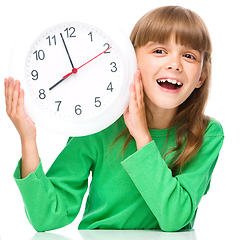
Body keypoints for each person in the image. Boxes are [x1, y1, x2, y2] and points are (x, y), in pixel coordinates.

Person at [4, 6, 224, 232]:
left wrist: (141, 136)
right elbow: (47, 218)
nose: (174, 64)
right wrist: (27, 139)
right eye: (159, 51)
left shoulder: (207, 133)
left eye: (189, 56)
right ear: (131, 60)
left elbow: (175, 218)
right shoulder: (99, 124)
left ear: (201, 76)